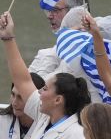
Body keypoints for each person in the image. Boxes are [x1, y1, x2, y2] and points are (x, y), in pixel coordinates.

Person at [1, 11, 91, 139]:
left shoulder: (76, 134)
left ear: (58, 100)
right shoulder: (44, 116)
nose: (39, 92)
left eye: (45, 89)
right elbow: (22, 81)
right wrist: (8, 37)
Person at [29, 0, 89, 78]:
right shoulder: (44, 54)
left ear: (76, 11)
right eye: (49, 10)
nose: (49, 16)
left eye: (55, 10)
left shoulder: (92, 50)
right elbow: (21, 88)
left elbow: (40, 88)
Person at [0, 73, 45, 139]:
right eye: (13, 94)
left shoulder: (49, 127)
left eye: (21, 97)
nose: (14, 103)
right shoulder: (2, 120)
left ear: (36, 99)